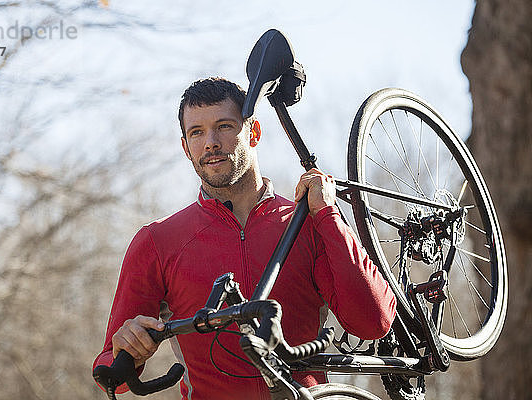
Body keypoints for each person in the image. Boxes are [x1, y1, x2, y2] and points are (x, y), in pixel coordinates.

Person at [93, 77, 396, 400]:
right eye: (196, 132)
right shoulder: (156, 241)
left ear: (253, 132)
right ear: (185, 147)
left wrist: (327, 215)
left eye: (224, 126)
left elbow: (373, 322)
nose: (210, 142)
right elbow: (111, 372)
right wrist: (127, 349)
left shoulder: (306, 222)